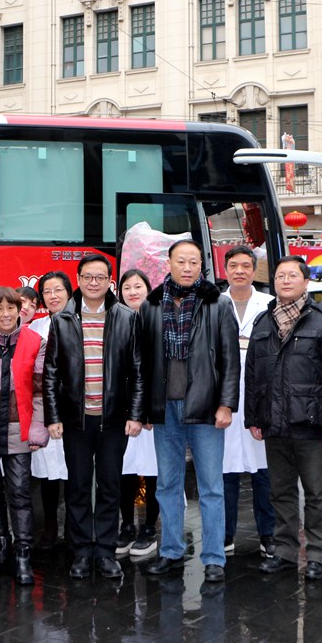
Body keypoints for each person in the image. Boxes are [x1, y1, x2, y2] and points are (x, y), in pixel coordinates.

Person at [139, 239, 240, 583]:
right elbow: (143, 363)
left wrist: (226, 404)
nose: (186, 267)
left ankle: (213, 558)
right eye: (180, 261)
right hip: (164, 407)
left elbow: (229, 359)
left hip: (206, 407)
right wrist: (144, 409)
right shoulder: (151, 305)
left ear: (202, 265)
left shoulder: (218, 303)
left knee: (211, 486)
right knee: (167, 485)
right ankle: (170, 551)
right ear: (168, 263)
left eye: (193, 262)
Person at [244, 255, 322, 581]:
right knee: (280, 491)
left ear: (306, 282)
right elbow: (253, 376)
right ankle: (285, 551)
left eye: (292, 275)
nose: (285, 281)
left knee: (316, 492)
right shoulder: (264, 321)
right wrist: (253, 417)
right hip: (274, 424)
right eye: (280, 276)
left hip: (311, 422)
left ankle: (316, 554)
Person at [44, 255, 143, 580]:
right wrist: (53, 417)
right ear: (78, 278)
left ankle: (106, 551)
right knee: (78, 486)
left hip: (114, 419)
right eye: (88, 277)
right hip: (76, 420)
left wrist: (136, 413)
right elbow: (51, 373)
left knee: (110, 486)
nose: (94, 283)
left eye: (101, 277)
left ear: (110, 281)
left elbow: (138, 370)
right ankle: (82, 552)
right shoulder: (63, 320)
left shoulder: (126, 318)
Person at [0, 286, 48, 585]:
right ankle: (0, 546)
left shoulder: (36, 341)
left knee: (20, 492)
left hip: (19, 426)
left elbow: (40, 389)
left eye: (11, 308)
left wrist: (38, 428)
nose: (6, 314)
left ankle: (23, 553)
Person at [220, 247, 276, 559]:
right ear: (225, 270)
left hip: (260, 399)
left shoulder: (269, 304)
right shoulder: (214, 303)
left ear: (255, 271)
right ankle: (225, 535)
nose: (239, 270)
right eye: (233, 265)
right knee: (225, 471)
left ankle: (268, 535)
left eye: (245, 266)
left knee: (263, 472)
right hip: (225, 399)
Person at [115, 269, 160, 558]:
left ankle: (149, 528)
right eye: (127, 287)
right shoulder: (116, 321)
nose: (132, 291)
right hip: (121, 410)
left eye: (138, 286)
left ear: (148, 290)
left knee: (153, 470)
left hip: (151, 413)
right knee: (124, 469)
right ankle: (127, 526)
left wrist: (151, 409)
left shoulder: (157, 321)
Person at [30, 271, 72, 549]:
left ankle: (73, 528)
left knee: (73, 470)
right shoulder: (35, 328)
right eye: (47, 291)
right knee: (45, 473)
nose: (53, 296)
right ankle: (49, 527)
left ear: (69, 292)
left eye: (58, 290)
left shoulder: (80, 322)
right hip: (44, 408)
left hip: (72, 407)